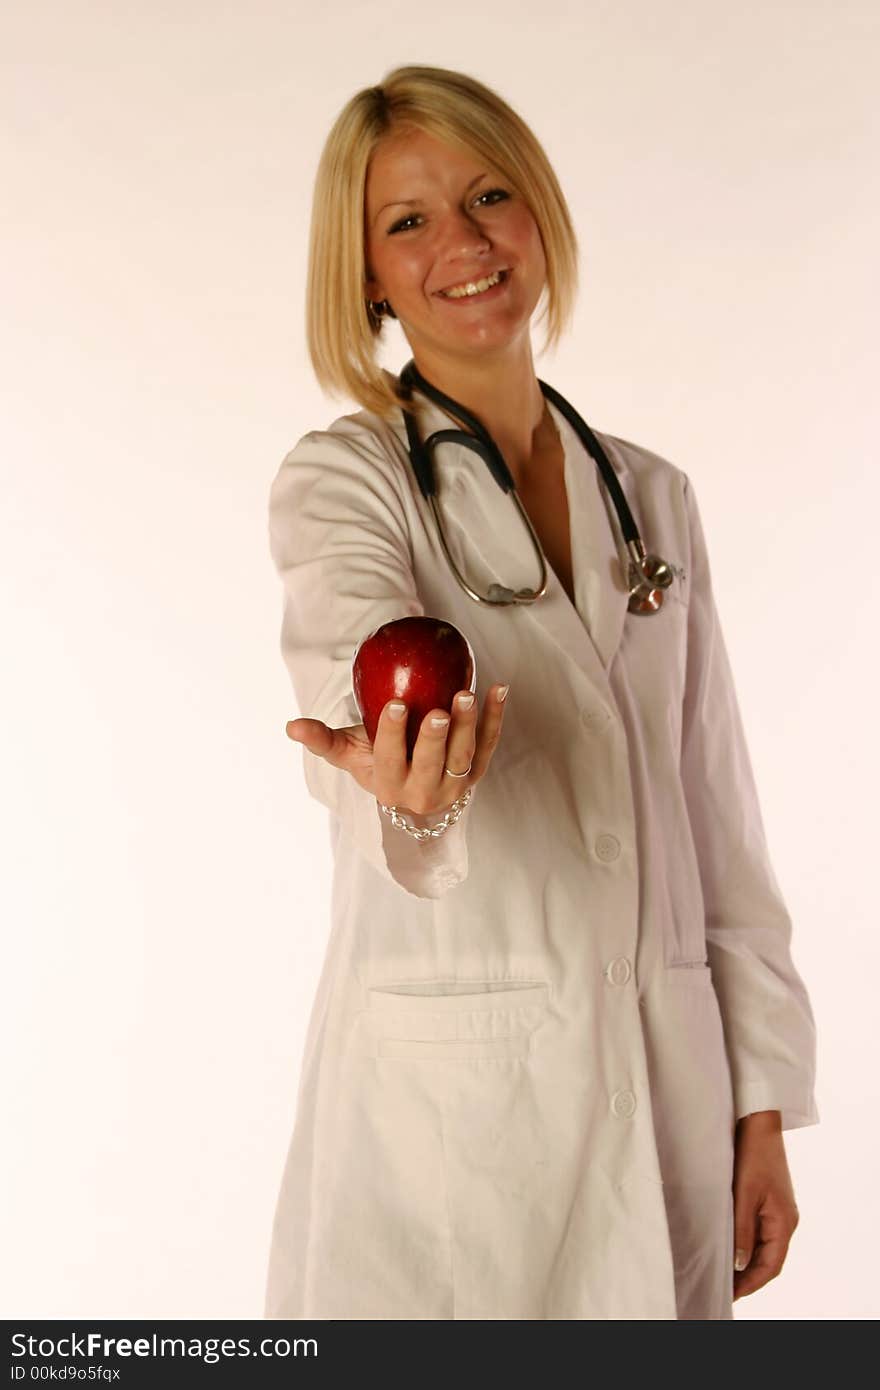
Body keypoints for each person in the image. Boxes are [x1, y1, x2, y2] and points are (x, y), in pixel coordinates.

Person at [263, 64, 819, 1321]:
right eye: (406, 221)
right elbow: (361, 679)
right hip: (449, 1128)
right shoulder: (346, 481)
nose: (461, 244)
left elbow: (713, 812)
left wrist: (760, 1098)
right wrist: (404, 785)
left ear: (540, 217)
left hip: (668, 1083)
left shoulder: (651, 497)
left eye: (488, 196)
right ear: (364, 275)